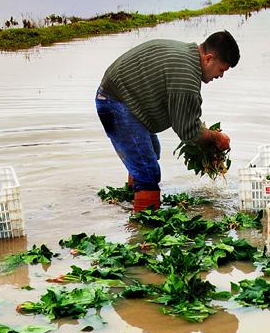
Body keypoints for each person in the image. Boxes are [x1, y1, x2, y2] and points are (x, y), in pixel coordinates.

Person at [95, 31, 240, 212]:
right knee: (149, 174)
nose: (220, 76)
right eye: (221, 70)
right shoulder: (186, 76)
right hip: (116, 102)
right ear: (209, 58)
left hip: (127, 99)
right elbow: (188, 132)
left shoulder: (188, 55)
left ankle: (129, 201)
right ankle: (143, 232)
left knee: (149, 153)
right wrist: (215, 138)